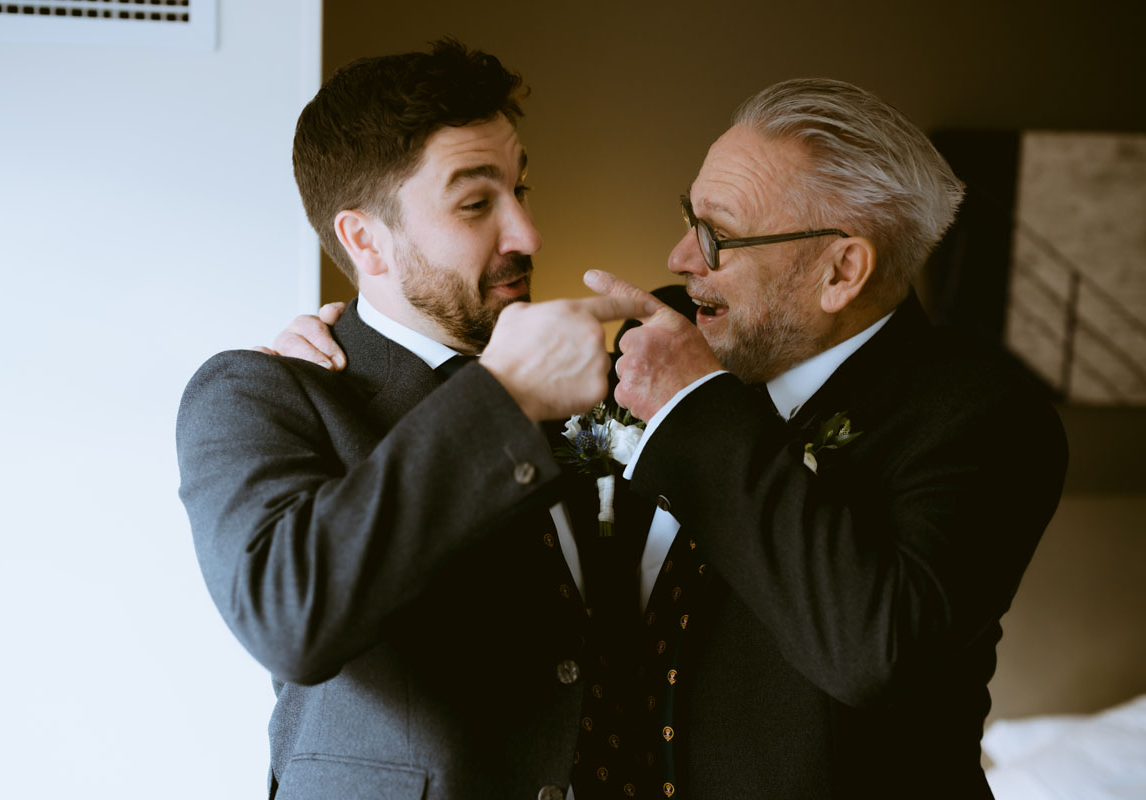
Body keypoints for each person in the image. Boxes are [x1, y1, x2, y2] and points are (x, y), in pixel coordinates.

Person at [275, 78, 1068, 799]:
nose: (680, 259)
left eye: (716, 236)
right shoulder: (655, 331)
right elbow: (482, 405)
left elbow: (877, 650)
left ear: (843, 270)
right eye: (688, 218)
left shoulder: (986, 418)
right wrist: (355, 349)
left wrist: (699, 409)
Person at [176, 39, 654, 800]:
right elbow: (288, 613)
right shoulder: (260, 392)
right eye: (475, 203)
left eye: (521, 189)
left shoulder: (576, 388)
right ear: (364, 239)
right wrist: (501, 399)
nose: (527, 234)